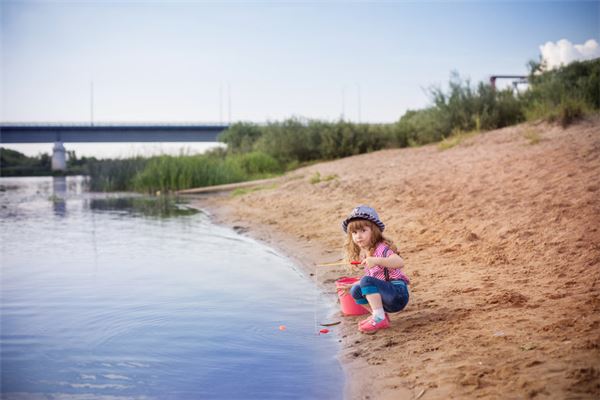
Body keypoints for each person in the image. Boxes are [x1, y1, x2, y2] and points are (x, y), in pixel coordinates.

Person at [340, 205, 410, 333]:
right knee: (356, 289)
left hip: (397, 294)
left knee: (366, 280)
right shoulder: (366, 252)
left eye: (363, 231)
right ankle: (380, 315)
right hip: (386, 296)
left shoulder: (381, 248)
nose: (358, 236)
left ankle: (378, 318)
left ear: (374, 230)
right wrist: (352, 286)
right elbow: (374, 279)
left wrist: (376, 260)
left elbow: (400, 262)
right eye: (354, 233)